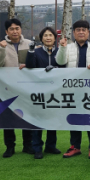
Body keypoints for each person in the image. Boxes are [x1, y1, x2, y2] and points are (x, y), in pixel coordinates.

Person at [56, 20, 90, 158]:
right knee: (74, 117)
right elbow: (60, 62)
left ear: (88, 32)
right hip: (73, 89)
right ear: (74, 33)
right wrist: (62, 48)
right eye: (78, 30)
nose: (81, 32)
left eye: (84, 29)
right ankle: (75, 146)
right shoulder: (67, 47)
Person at [0, 18, 33, 158]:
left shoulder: (29, 44)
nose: (15, 31)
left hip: (26, 87)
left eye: (17, 28)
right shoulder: (0, 46)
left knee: (27, 116)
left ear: (21, 29)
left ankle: (28, 145)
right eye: (11, 29)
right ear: (6, 31)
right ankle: (10, 146)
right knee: (8, 117)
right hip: (8, 88)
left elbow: (35, 63)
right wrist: (2, 49)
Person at [25, 26, 64, 158]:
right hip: (39, 92)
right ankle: (37, 148)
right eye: (45, 35)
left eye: (50, 35)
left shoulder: (59, 51)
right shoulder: (36, 52)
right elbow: (30, 66)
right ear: (41, 38)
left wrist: (55, 68)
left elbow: (64, 67)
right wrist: (31, 51)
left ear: (55, 38)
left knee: (52, 119)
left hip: (55, 92)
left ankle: (51, 146)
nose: (48, 38)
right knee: (38, 120)